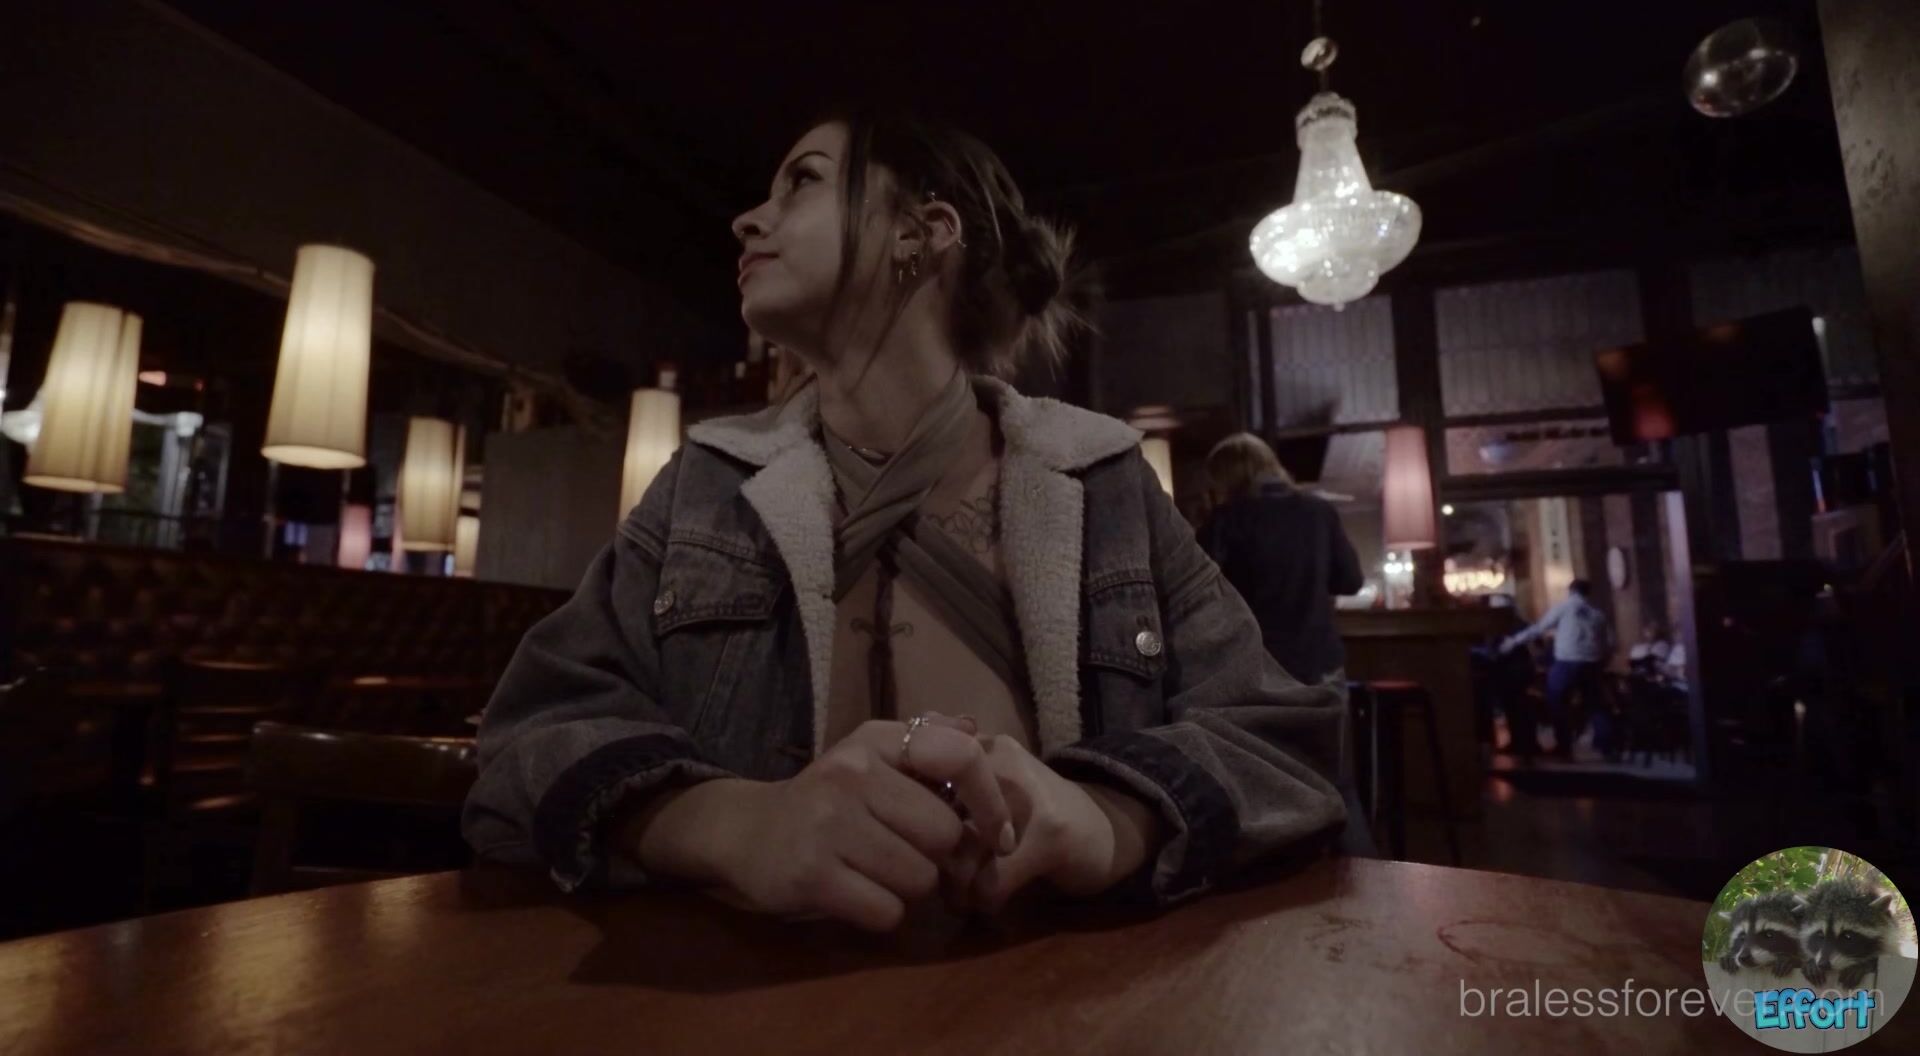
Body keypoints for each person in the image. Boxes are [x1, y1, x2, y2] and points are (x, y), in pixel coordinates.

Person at [462, 112, 1347, 932]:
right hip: (753, 1008)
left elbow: (1281, 745)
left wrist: (1112, 818)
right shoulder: (708, 483)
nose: (747, 220)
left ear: (921, 233)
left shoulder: (1101, 480)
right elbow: (520, 746)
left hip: (1065, 999)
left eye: (802, 181)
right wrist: (727, 824)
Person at [1197, 433, 1362, 687]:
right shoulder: (1319, 511)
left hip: (1257, 665)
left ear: (1225, 478)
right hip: (1319, 661)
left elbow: (1200, 594)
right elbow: (1350, 581)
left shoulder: (1224, 521)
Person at [1501, 579, 1616, 760]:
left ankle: (1564, 747)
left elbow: (1539, 628)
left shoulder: (1564, 608)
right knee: (1596, 704)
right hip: (1591, 663)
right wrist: (1602, 662)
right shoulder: (1598, 615)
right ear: (1588, 593)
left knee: (1556, 702)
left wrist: (1513, 641)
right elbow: (1608, 643)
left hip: (1566, 662)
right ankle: (1606, 747)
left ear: (1571, 591)